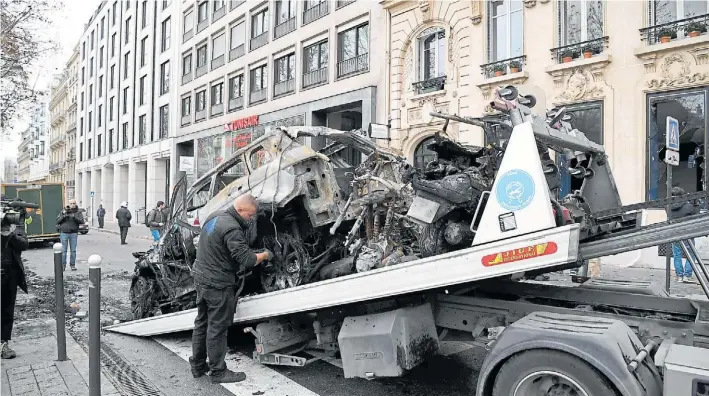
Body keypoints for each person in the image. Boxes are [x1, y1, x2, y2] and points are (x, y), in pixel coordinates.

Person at [190, 194, 271, 383]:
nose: (251, 220)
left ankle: (198, 365)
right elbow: (248, 260)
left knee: (202, 323)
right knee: (217, 327)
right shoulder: (233, 228)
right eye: (250, 216)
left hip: (201, 277)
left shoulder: (215, 216)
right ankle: (218, 372)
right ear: (240, 209)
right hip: (217, 283)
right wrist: (265, 255)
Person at [1, 206, 29, 359]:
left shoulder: (12, 224)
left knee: (6, 310)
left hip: (8, 274)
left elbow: (24, 244)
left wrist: (9, 234)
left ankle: (3, 343)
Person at [667, 186, 699, 283]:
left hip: (675, 233)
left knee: (677, 255)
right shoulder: (688, 206)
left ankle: (679, 276)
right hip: (687, 234)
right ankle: (687, 275)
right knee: (691, 254)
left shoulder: (669, 207)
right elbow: (696, 217)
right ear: (682, 195)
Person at [56, 199, 85, 271]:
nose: (72, 205)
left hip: (73, 233)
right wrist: (64, 216)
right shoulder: (63, 211)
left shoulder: (78, 212)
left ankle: (72, 265)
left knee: (73, 250)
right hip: (64, 233)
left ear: (76, 204)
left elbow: (82, 221)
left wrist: (74, 217)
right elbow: (58, 221)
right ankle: (63, 265)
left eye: (74, 203)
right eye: (71, 203)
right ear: (68, 204)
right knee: (64, 250)